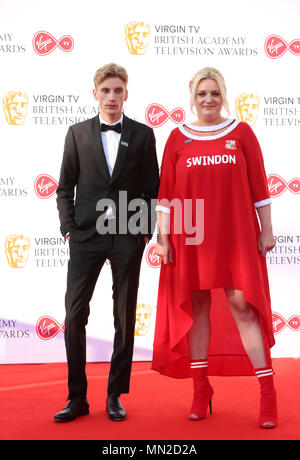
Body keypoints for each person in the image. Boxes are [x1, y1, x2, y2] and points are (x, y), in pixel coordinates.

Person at [152, 67, 277, 429]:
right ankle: (200, 388)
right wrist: (163, 239)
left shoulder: (241, 133)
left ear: (224, 95)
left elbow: (260, 188)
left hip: (235, 235)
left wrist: (266, 230)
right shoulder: (177, 138)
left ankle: (267, 392)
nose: (209, 100)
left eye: (215, 93)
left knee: (242, 305)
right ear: (193, 97)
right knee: (199, 305)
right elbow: (165, 196)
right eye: (202, 94)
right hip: (191, 236)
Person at [55, 63, 159, 422]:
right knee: (74, 314)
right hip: (85, 236)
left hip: (126, 238)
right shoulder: (77, 134)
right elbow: (64, 188)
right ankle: (76, 397)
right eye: (106, 90)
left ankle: (115, 394)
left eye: (118, 90)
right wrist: (68, 228)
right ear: (95, 93)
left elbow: (151, 188)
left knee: (124, 316)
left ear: (126, 93)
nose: (112, 96)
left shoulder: (144, 135)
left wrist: (144, 232)